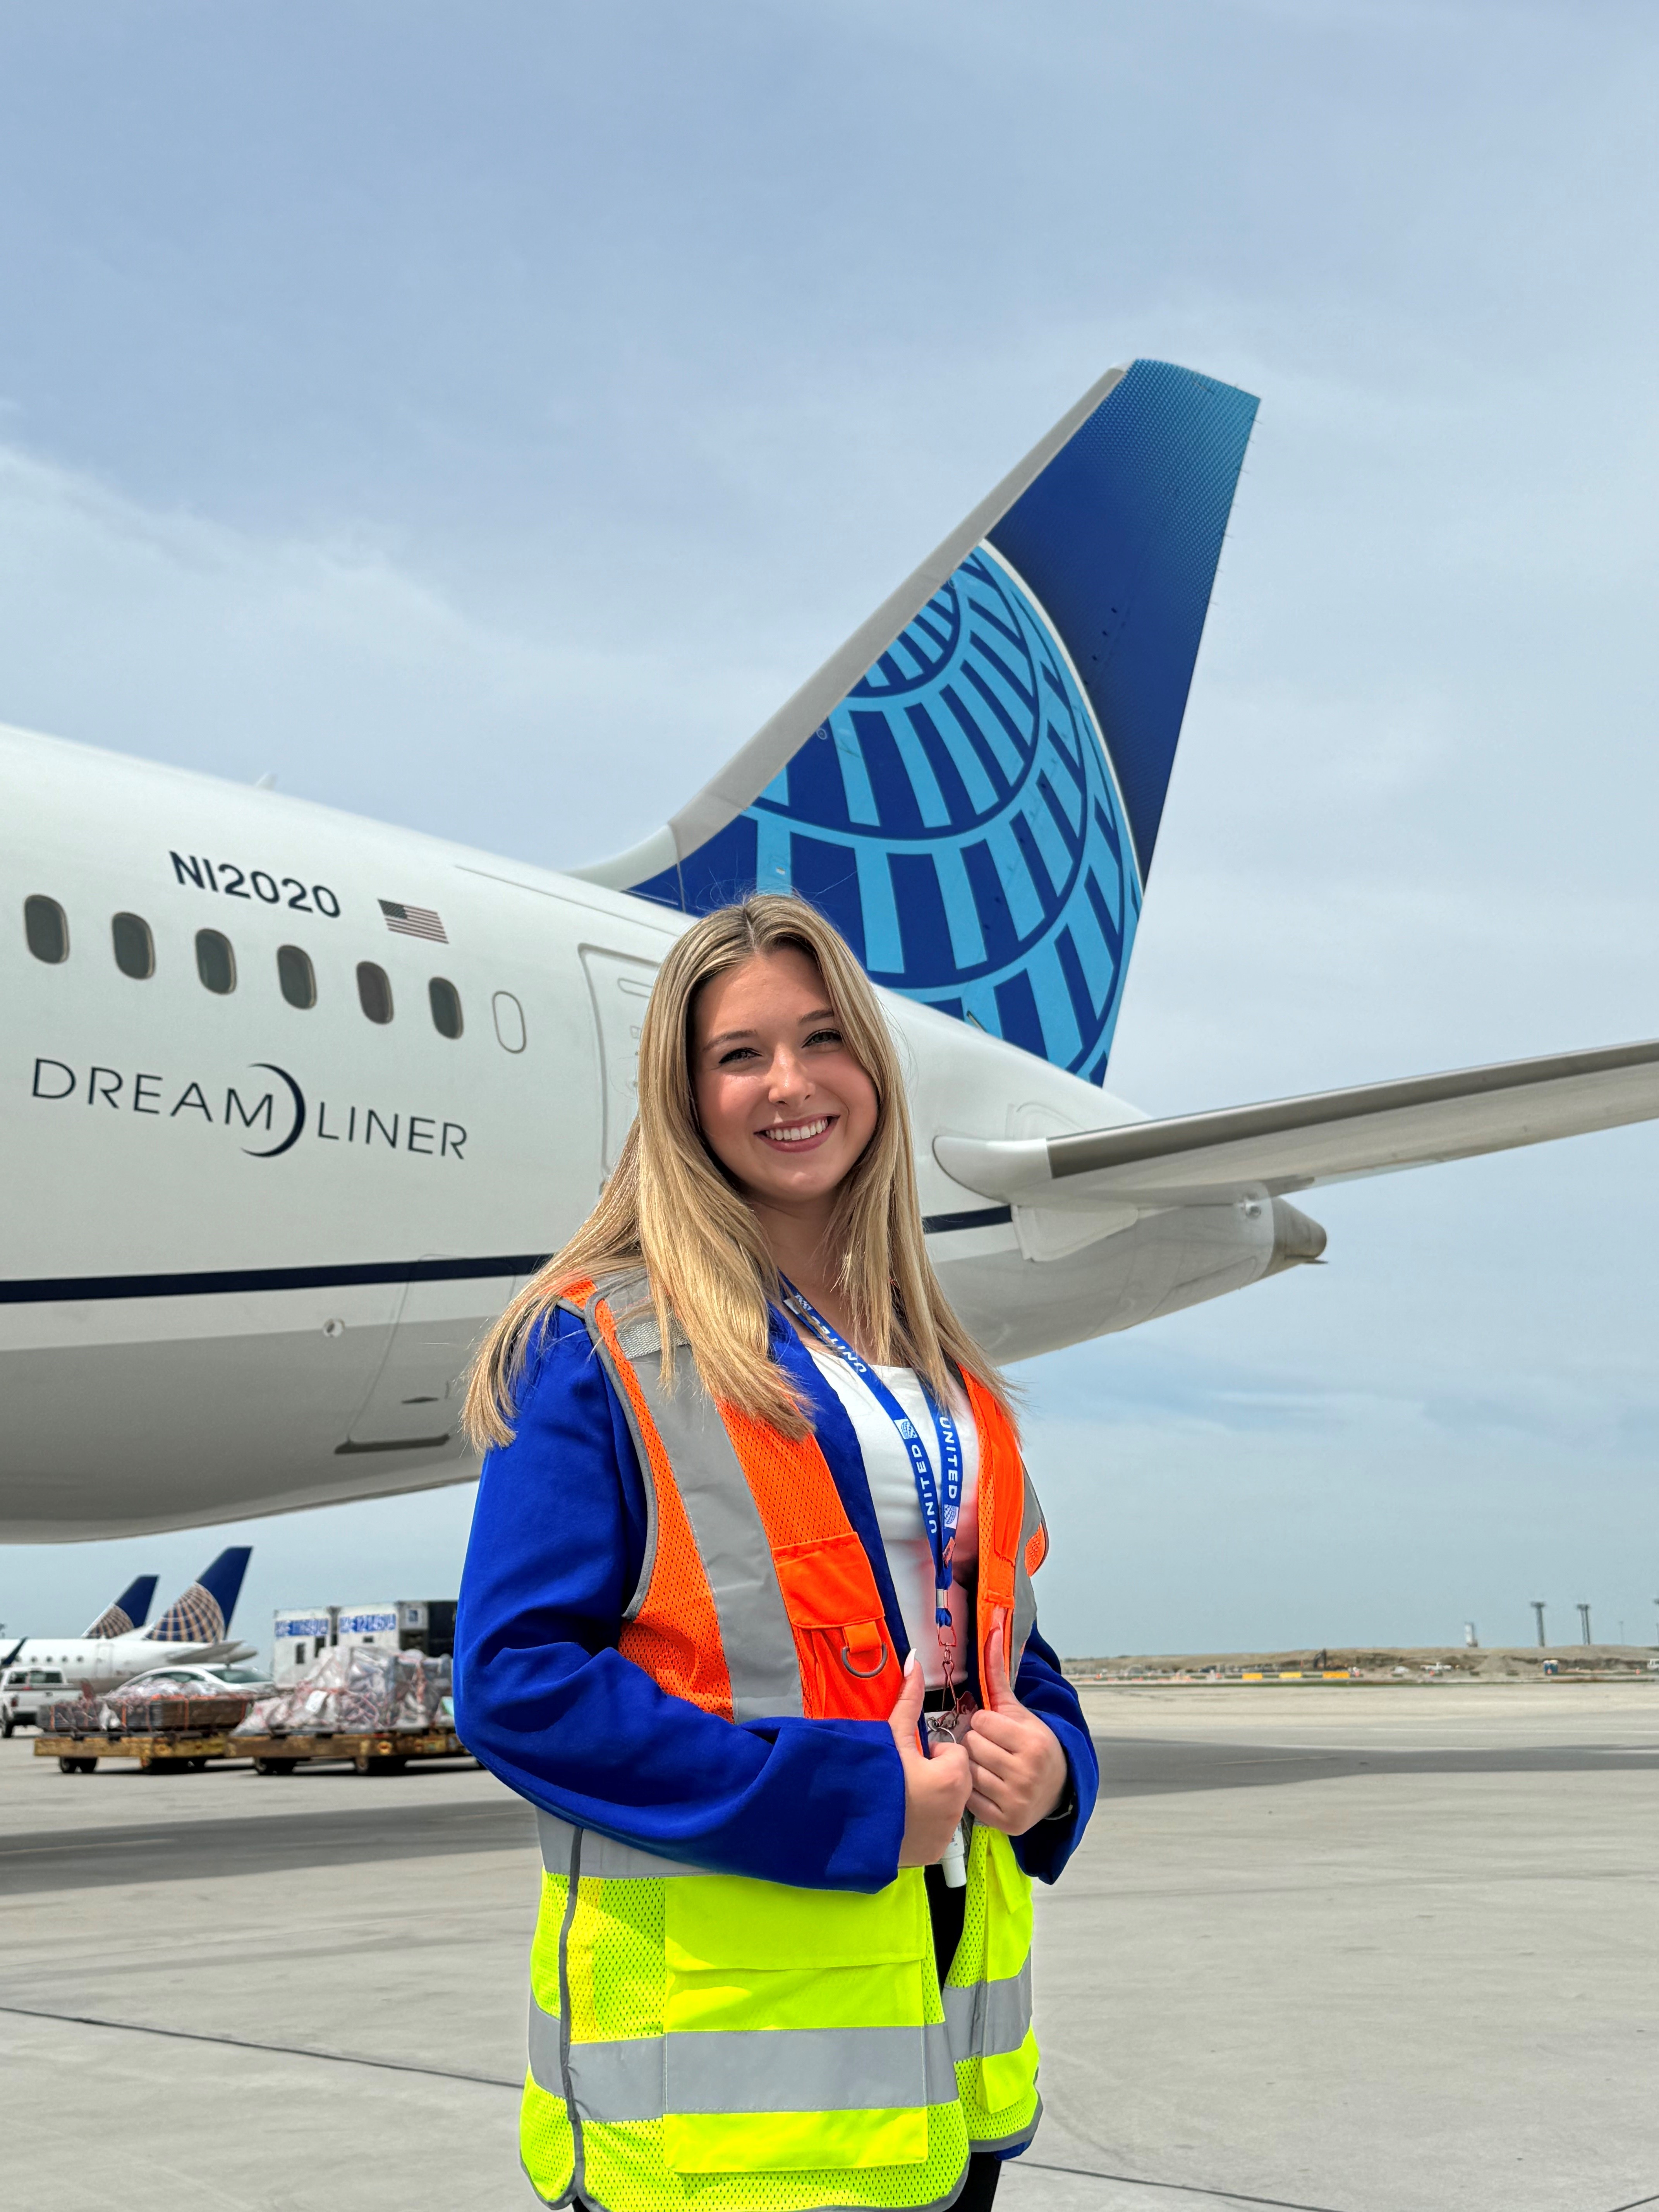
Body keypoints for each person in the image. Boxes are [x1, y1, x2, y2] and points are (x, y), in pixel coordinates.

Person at [455, 893, 1098, 2212]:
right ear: (682, 1098)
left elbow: (1008, 1656)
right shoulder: (595, 1343)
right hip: (714, 2113)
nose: (789, 1084)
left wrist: (1055, 1772)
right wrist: (852, 1801)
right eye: (738, 1055)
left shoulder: (944, 1373)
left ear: (873, 1066)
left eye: (821, 1040)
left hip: (939, 2074)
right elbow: (517, 1684)